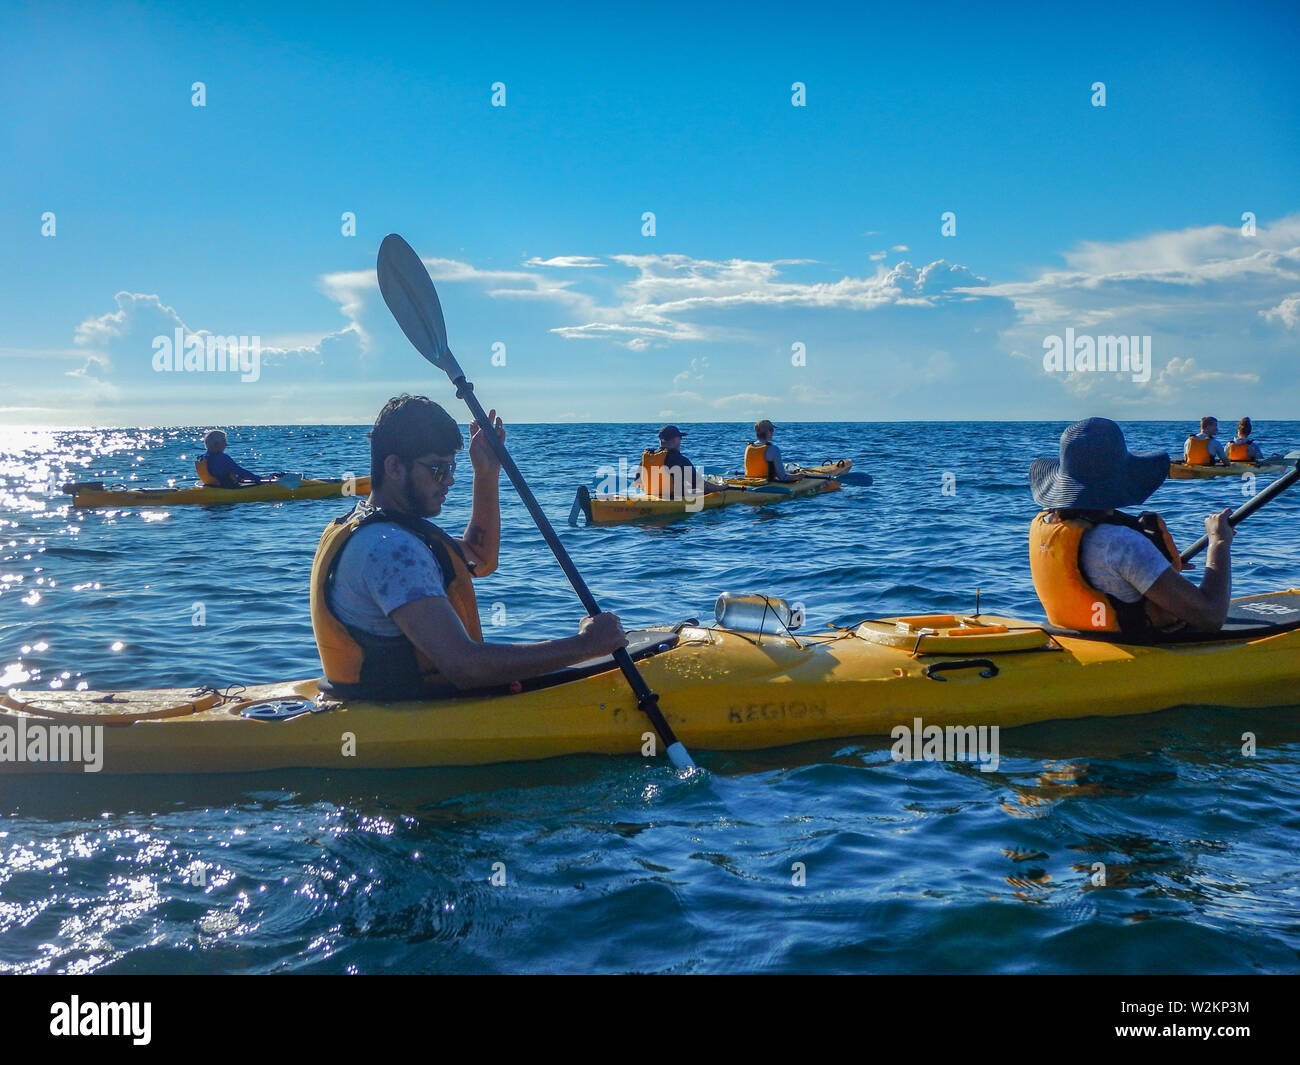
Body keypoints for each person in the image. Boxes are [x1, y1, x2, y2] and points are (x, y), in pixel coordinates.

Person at [310, 394, 627, 699]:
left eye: (451, 467)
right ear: (393, 467)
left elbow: (480, 558)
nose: (448, 480)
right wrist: (585, 645)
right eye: (437, 469)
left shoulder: (371, 526)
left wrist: (486, 472)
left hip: (384, 700)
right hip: (408, 719)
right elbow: (464, 667)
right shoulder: (390, 549)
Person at [1029, 417, 1235, 636]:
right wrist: (1218, 542)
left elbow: (1102, 567)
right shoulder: (1121, 544)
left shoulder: (1049, 523)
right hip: (1136, 648)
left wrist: (1155, 564)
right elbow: (1210, 617)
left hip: (1075, 638)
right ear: (1121, 476)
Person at [638, 425, 725, 498]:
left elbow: (639, 483)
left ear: (660, 440)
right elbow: (701, 485)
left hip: (652, 497)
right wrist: (721, 487)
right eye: (680, 438)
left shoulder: (648, 457)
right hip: (673, 499)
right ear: (675, 439)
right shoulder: (679, 459)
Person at [195, 429, 268, 487]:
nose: (226, 444)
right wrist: (260, 479)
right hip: (226, 490)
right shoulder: (222, 458)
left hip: (212, 487)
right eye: (224, 441)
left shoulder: (202, 458)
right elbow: (240, 472)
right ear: (216, 444)